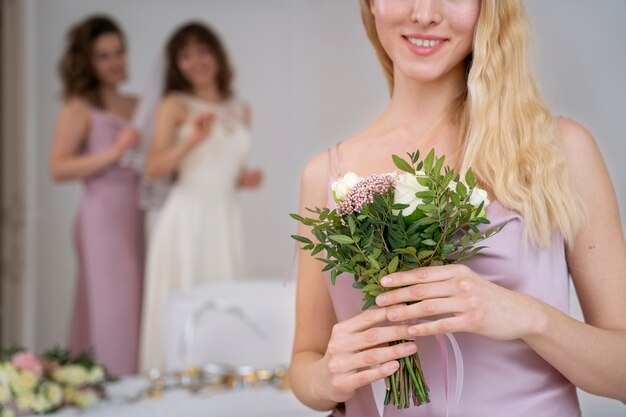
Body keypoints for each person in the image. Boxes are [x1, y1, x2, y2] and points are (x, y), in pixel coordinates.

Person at [289, 1, 626, 416]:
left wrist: (530, 317)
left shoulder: (559, 152)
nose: (425, 13)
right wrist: (326, 377)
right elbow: (305, 362)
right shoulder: (325, 176)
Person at [140, 22, 262, 372]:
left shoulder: (241, 109)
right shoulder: (174, 105)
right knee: (186, 299)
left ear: (216, 54)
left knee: (225, 299)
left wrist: (243, 178)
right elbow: (153, 169)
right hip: (186, 219)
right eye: (185, 55)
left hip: (225, 218)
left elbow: (225, 167)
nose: (195, 61)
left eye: (201, 51)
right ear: (176, 65)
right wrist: (190, 140)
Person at [49, 15, 144, 375]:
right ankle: (112, 390)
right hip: (102, 216)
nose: (115, 62)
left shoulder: (137, 104)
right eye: (103, 55)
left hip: (136, 216)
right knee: (112, 308)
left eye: (119, 52)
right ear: (88, 61)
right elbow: (58, 168)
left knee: (135, 305)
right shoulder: (78, 107)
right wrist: (113, 153)